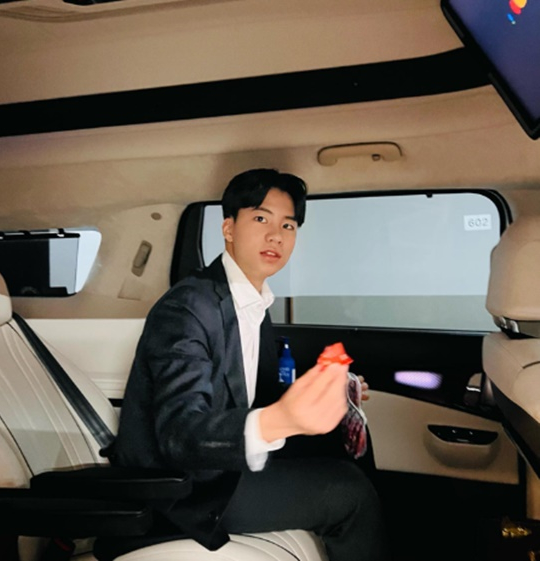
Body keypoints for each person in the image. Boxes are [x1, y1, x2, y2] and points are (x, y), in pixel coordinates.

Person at [112, 168, 389, 561]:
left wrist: (325, 393)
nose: (276, 235)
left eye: (288, 225)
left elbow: (252, 394)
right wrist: (280, 419)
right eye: (261, 218)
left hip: (226, 466)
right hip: (190, 488)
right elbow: (180, 434)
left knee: (345, 446)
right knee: (351, 493)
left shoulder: (253, 302)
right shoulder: (187, 307)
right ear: (228, 228)